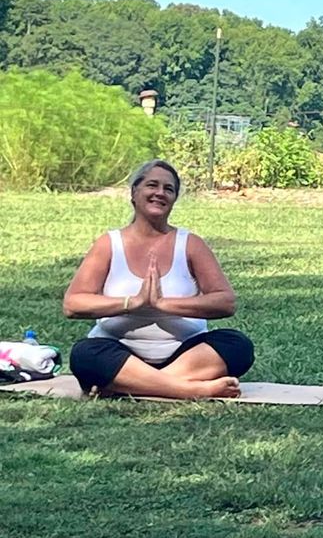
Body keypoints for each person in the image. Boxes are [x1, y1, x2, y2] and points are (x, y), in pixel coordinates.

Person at [63, 160, 253, 399]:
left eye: (169, 189)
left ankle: (130, 385)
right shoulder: (109, 244)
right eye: (152, 185)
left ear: (174, 199)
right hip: (120, 354)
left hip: (185, 356)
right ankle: (190, 389)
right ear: (134, 192)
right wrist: (132, 303)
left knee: (237, 345)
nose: (160, 193)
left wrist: (164, 304)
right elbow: (73, 304)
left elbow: (225, 302)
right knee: (85, 354)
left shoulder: (191, 244)